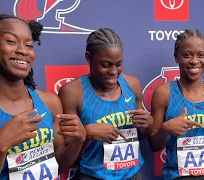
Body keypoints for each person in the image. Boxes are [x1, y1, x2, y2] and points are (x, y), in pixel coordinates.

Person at [0, 14, 86, 180]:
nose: (23, 50)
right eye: (11, 41)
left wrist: (78, 141)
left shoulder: (50, 103)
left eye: (29, 45)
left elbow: (57, 166)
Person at [58, 28, 152, 180]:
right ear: (88, 58)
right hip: (92, 175)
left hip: (132, 174)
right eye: (106, 65)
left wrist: (146, 126)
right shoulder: (72, 92)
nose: (114, 71)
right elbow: (67, 154)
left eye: (118, 64)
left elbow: (140, 135)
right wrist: (86, 133)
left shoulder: (132, 84)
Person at [148, 29, 204, 180]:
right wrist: (165, 129)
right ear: (176, 57)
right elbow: (154, 145)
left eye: (200, 55)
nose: (194, 61)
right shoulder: (163, 93)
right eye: (187, 55)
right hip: (177, 176)